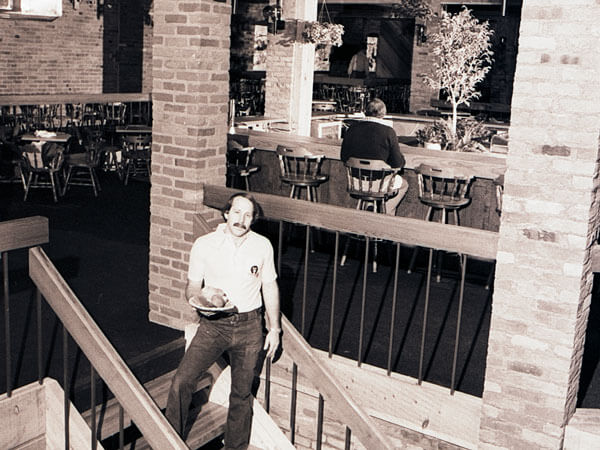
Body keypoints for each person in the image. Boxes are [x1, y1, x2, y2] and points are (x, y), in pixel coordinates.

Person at [165, 192, 281, 449]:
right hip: (214, 326)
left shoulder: (262, 245)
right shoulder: (204, 244)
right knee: (182, 381)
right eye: (237, 212)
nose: (242, 219)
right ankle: (169, 441)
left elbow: (270, 286)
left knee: (241, 394)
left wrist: (274, 329)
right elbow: (192, 287)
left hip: (251, 326)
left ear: (253, 220)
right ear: (226, 213)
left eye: (248, 215)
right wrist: (202, 296)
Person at [340, 98, 408, 215]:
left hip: (357, 182)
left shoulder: (352, 129)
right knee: (404, 185)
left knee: (370, 189)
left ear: (366, 111)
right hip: (379, 184)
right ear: (383, 114)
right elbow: (397, 164)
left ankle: (370, 205)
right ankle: (385, 212)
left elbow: (344, 157)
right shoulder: (388, 132)